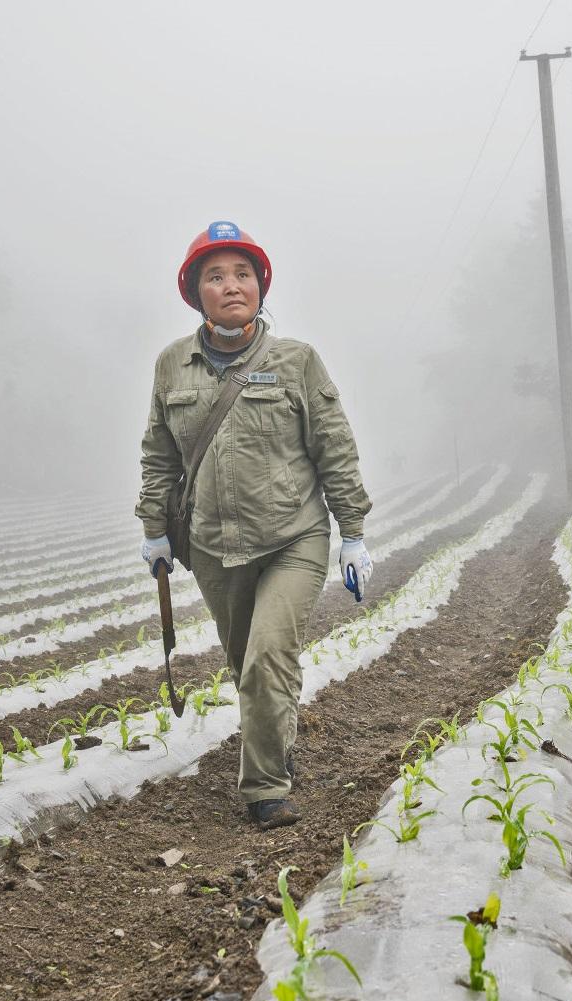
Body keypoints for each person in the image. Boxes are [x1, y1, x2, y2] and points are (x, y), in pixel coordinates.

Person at [136, 220, 373, 829]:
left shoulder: (297, 362)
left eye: (243, 273)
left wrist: (353, 531)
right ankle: (276, 732)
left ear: (261, 286)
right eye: (215, 276)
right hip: (214, 546)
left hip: (293, 536)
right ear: (196, 291)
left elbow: (335, 448)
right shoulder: (172, 367)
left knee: (269, 655)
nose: (231, 286)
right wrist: (154, 527)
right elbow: (160, 453)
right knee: (248, 666)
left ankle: (266, 789)